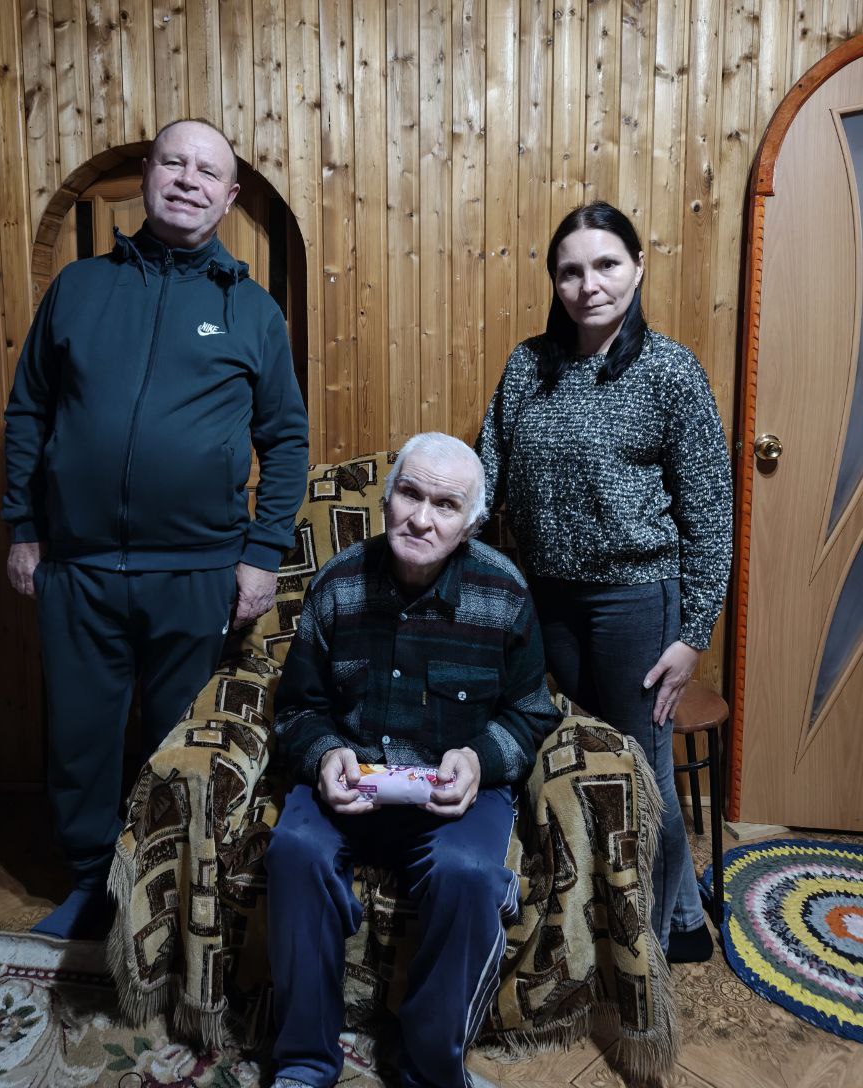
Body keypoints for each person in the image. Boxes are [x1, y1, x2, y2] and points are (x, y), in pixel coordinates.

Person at [2, 119, 309, 939]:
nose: (187, 180)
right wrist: (23, 528)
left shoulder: (251, 309)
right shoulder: (79, 288)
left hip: (198, 570)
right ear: (147, 174)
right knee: (80, 738)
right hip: (79, 565)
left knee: (175, 743)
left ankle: (158, 892)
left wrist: (261, 555)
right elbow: (30, 410)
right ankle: (88, 887)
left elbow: (286, 441)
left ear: (228, 198)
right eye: (174, 162)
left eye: (207, 172)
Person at [476, 200, 732, 965]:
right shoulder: (528, 366)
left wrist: (693, 635)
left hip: (636, 602)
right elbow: (489, 470)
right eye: (571, 271)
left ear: (638, 267)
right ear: (554, 282)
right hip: (548, 599)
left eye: (606, 265)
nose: (589, 284)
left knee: (643, 770)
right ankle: (659, 913)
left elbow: (710, 513)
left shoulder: (670, 372)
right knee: (589, 757)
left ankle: (657, 937)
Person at [265, 433, 559, 1088]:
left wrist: (480, 760)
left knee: (470, 874)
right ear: (387, 499)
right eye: (410, 494)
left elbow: (531, 713)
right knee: (294, 850)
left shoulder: (504, 592)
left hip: (456, 790)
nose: (422, 518)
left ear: (470, 524)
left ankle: (429, 1071)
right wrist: (325, 755)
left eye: (445, 506)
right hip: (353, 781)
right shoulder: (338, 584)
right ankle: (303, 1064)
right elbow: (298, 708)